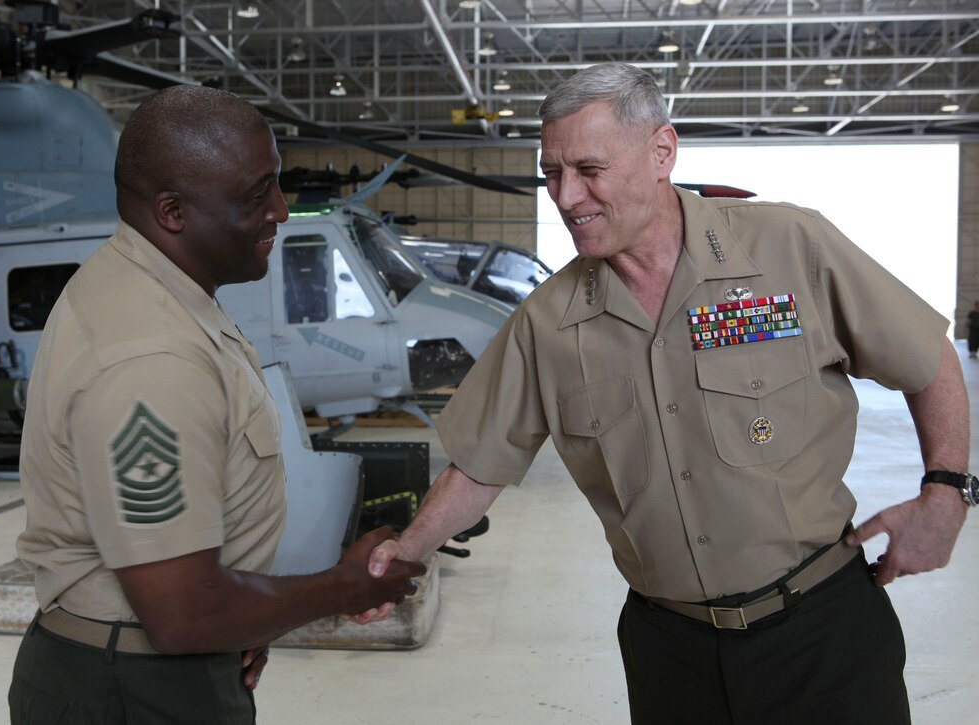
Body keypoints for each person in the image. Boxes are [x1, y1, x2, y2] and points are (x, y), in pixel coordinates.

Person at [360, 63, 971, 724]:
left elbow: (925, 354)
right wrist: (406, 553)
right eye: (551, 174)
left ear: (662, 152)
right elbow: (479, 465)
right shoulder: (548, 323)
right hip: (669, 651)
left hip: (822, 634)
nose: (566, 197)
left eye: (589, 170)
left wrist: (947, 492)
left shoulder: (790, 248)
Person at [7, 85, 425, 725]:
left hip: (153, 667)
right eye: (258, 194)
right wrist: (346, 587)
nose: (280, 212)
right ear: (172, 211)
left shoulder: (154, 289)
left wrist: (239, 620)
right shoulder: (151, 358)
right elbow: (181, 613)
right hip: (136, 691)